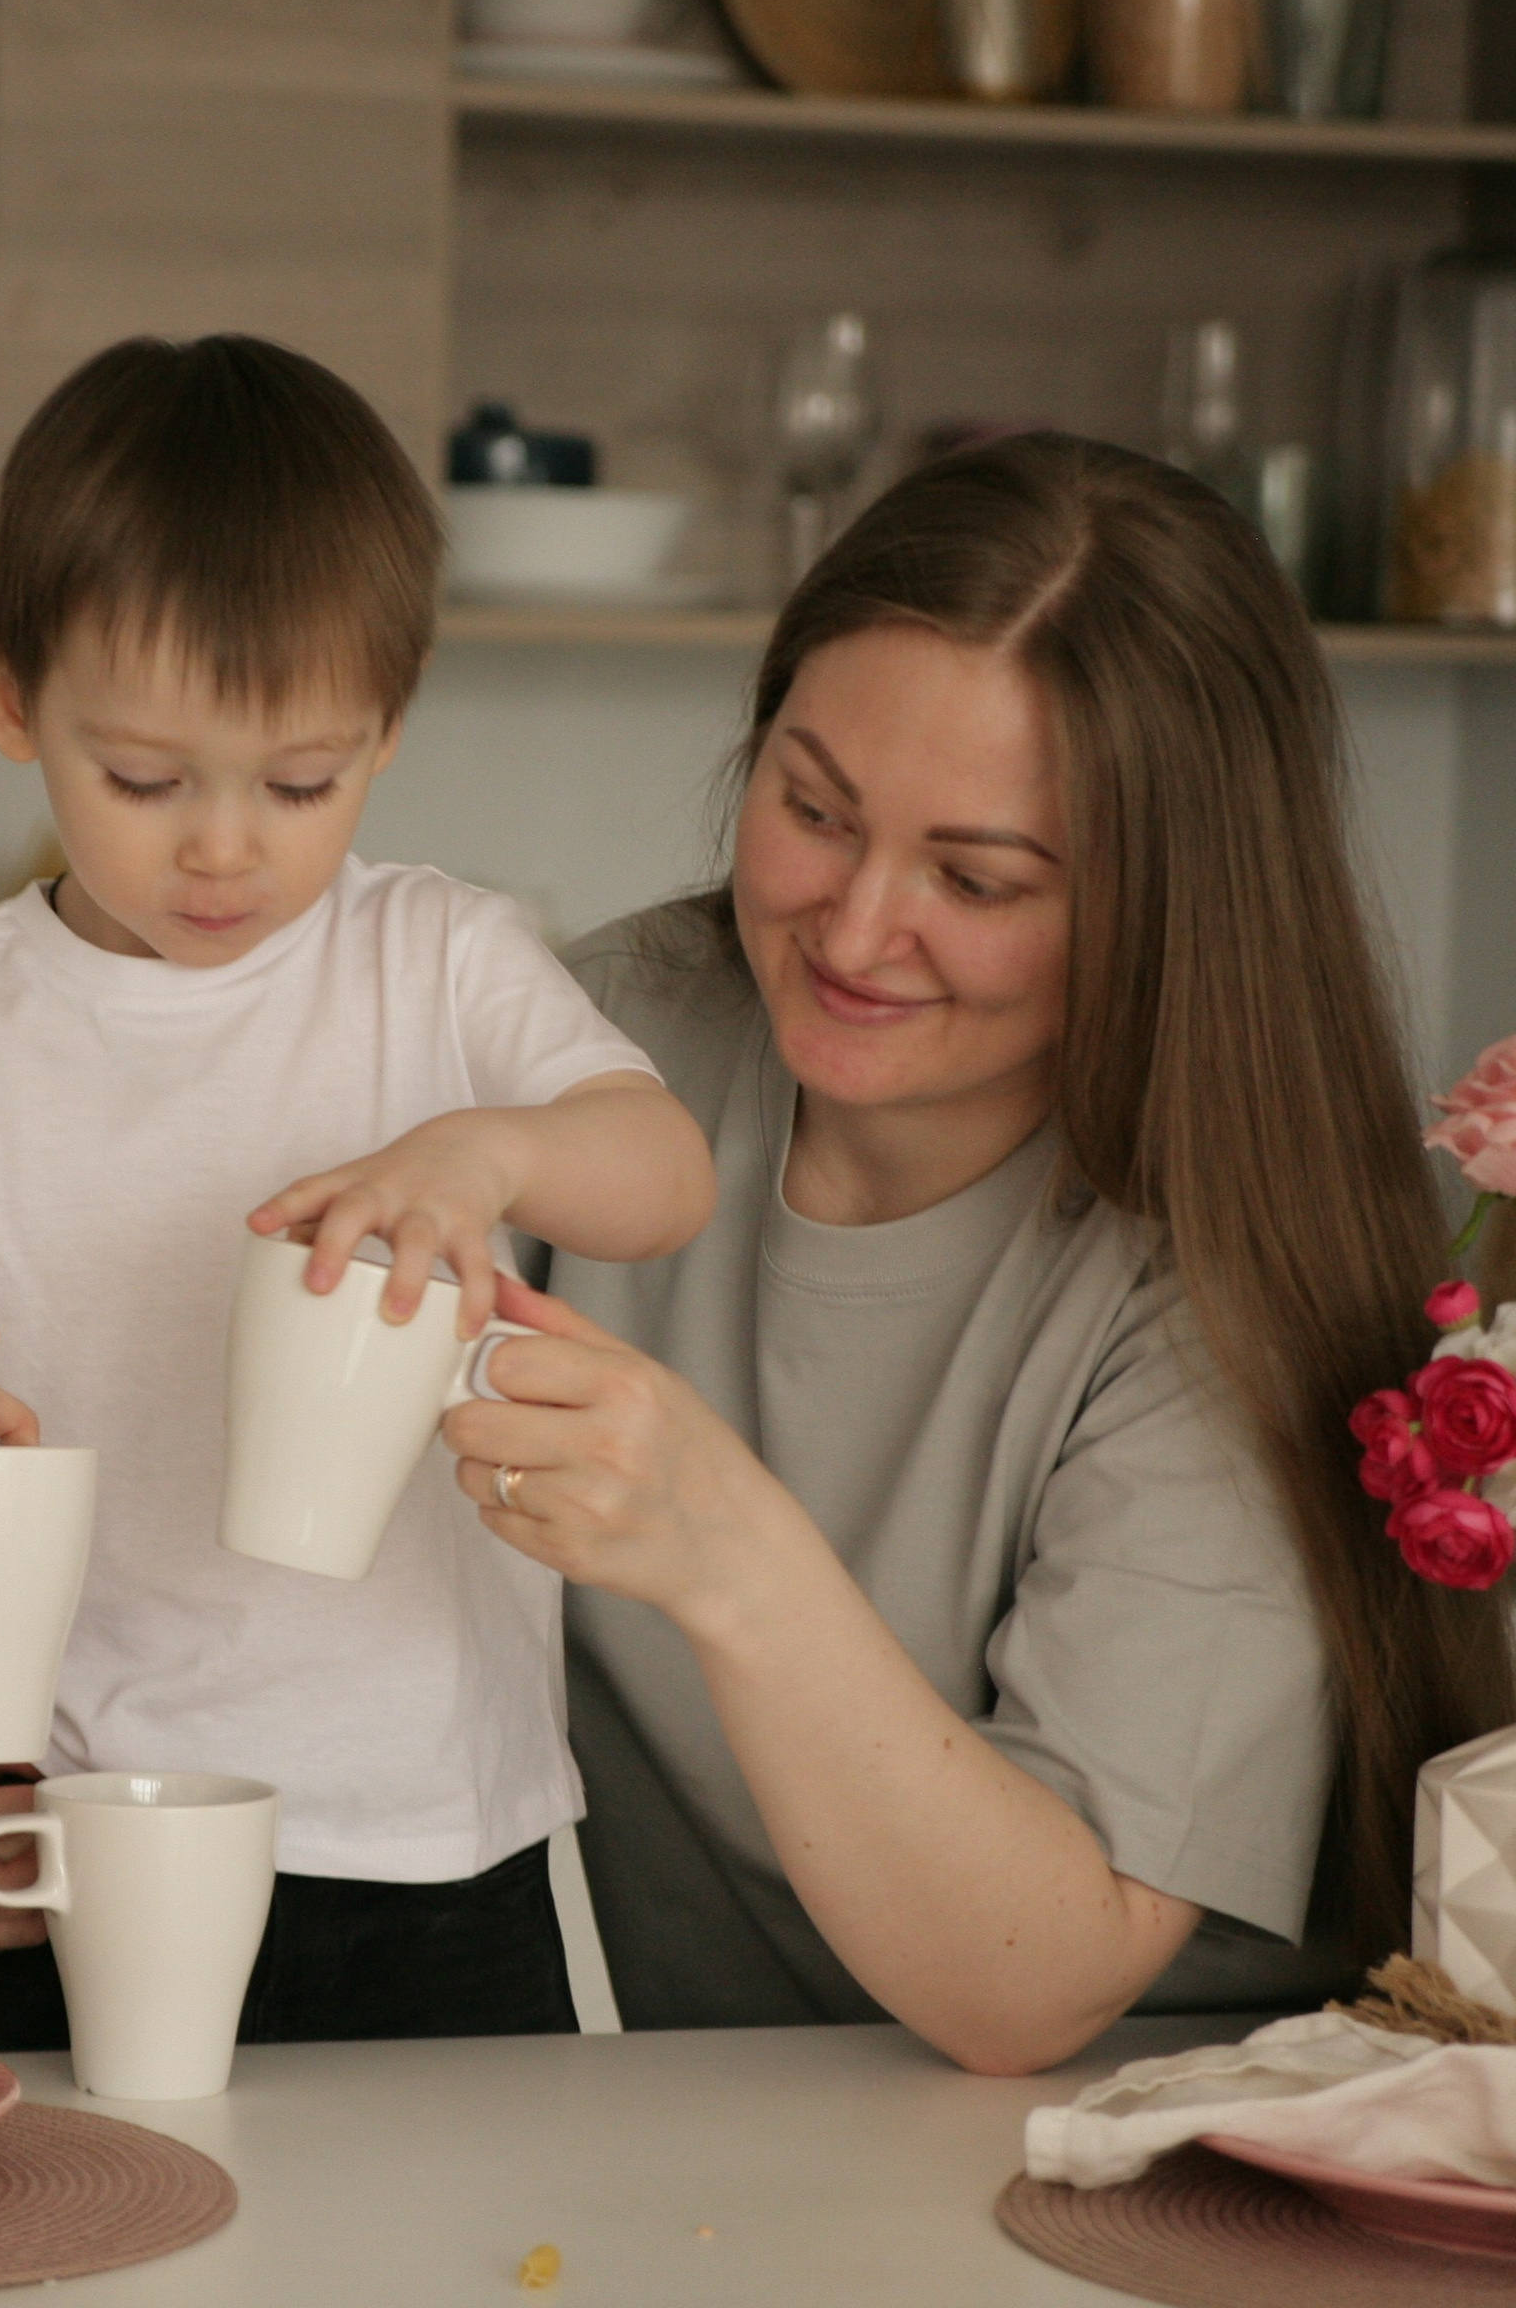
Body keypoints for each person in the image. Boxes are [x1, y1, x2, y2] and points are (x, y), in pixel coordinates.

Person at [0, 335, 716, 2046]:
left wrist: (492, 1151)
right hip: (90, 1829)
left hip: (443, 1838)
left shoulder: (441, 960)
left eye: (301, 783)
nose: (224, 848)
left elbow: (664, 1172)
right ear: (14, 699)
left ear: (390, 720)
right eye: (144, 780)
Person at [438, 433, 1516, 2074]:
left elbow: (1031, 1986)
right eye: (814, 809)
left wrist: (725, 1545)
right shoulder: (609, 1045)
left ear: (1165, 906)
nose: (857, 928)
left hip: (1136, 2125)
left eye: (976, 877)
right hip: (673, 2112)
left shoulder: (1226, 1271)